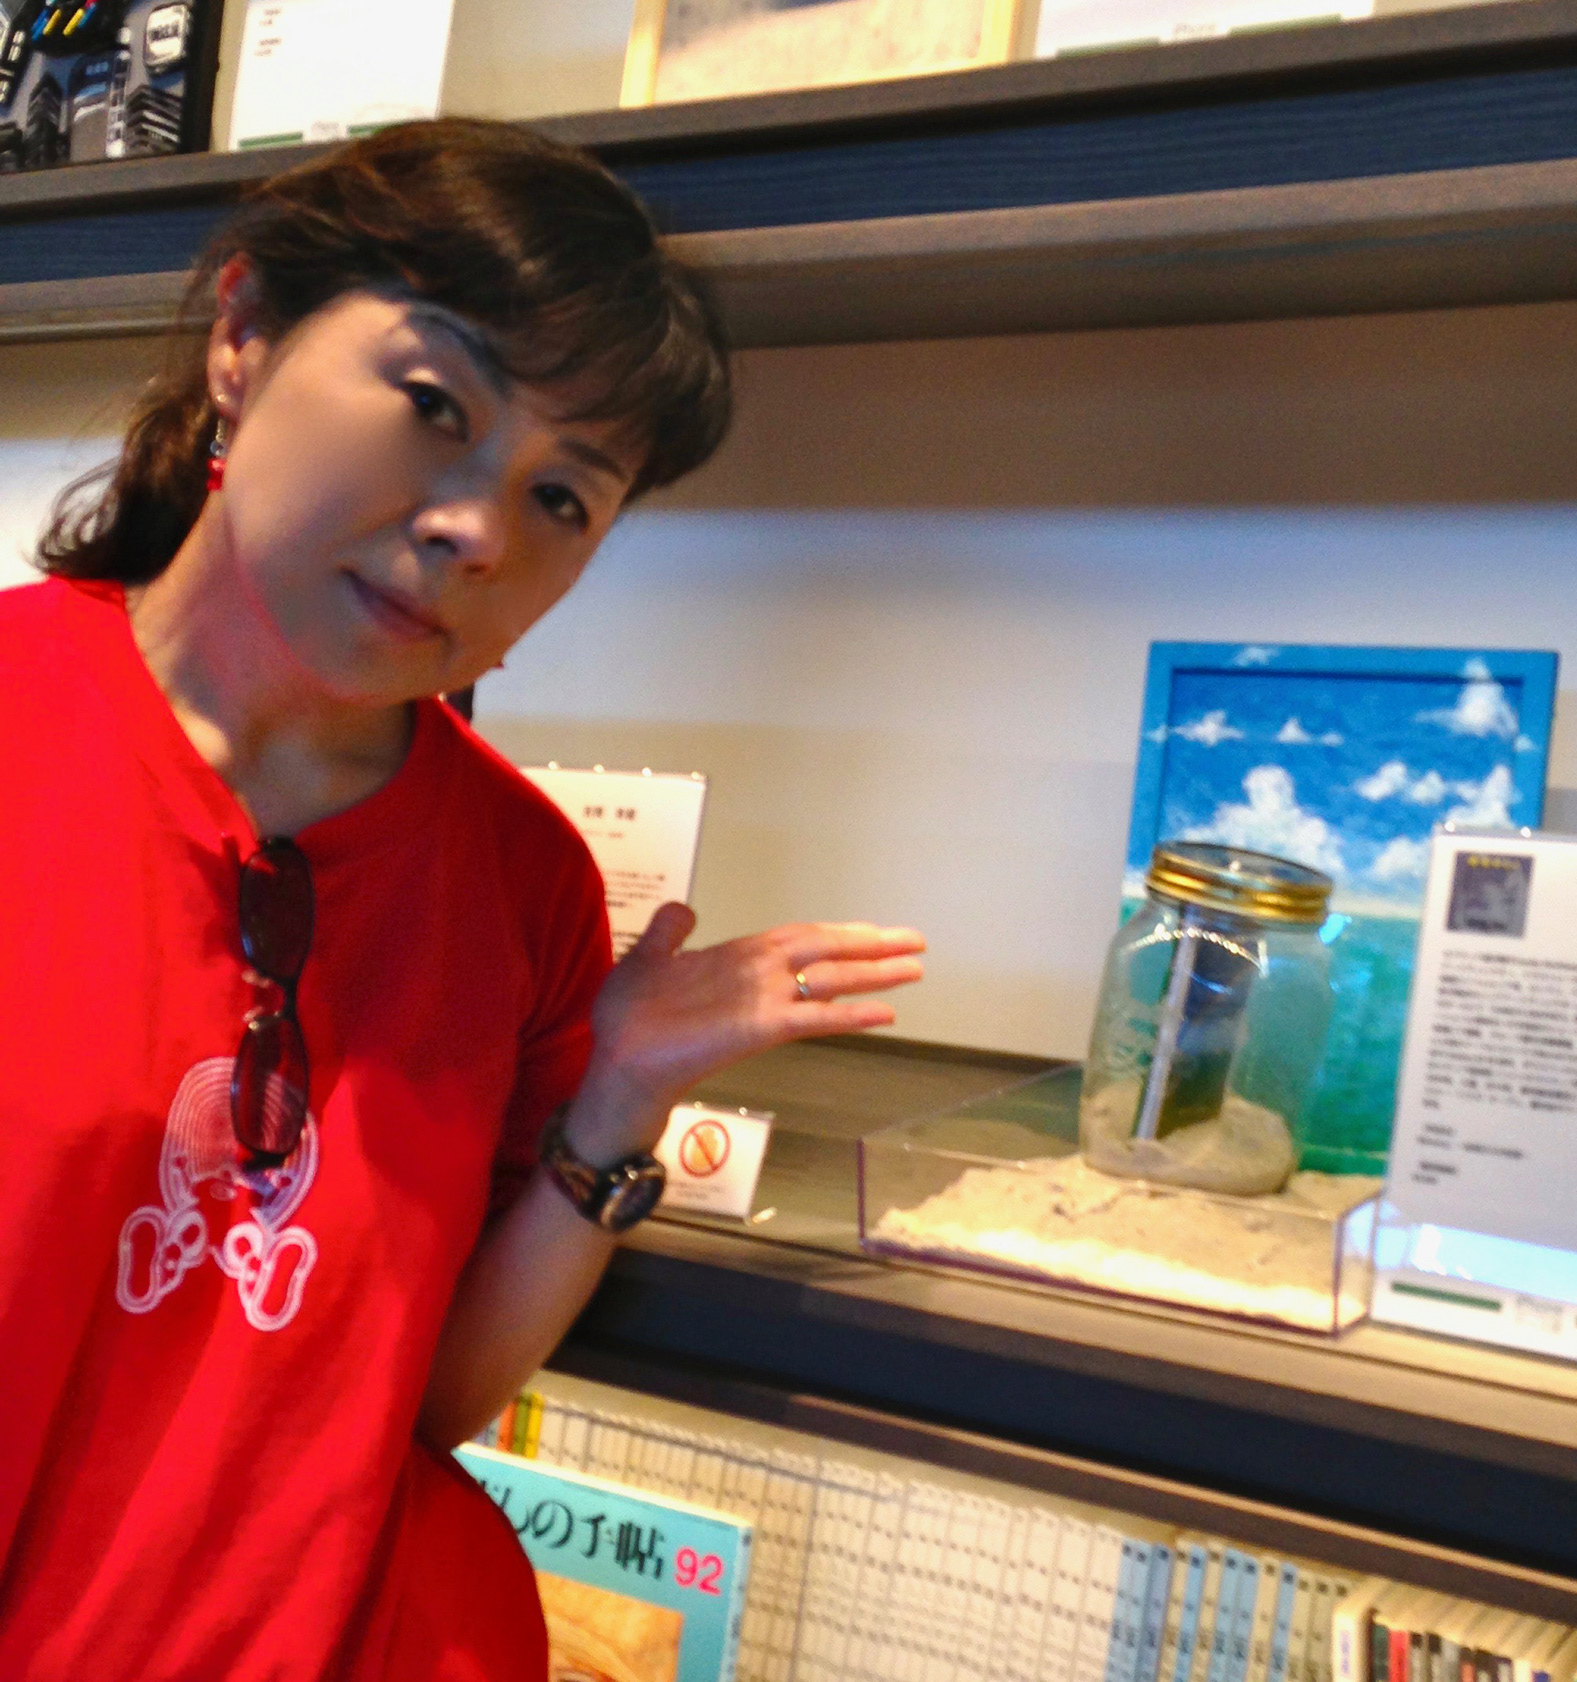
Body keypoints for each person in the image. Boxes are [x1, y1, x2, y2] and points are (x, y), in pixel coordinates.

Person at [0, 118, 924, 1680]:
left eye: (564, 498)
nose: (478, 531)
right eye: (435, 405)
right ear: (243, 335)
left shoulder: (524, 880)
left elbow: (412, 1401)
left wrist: (619, 1094)